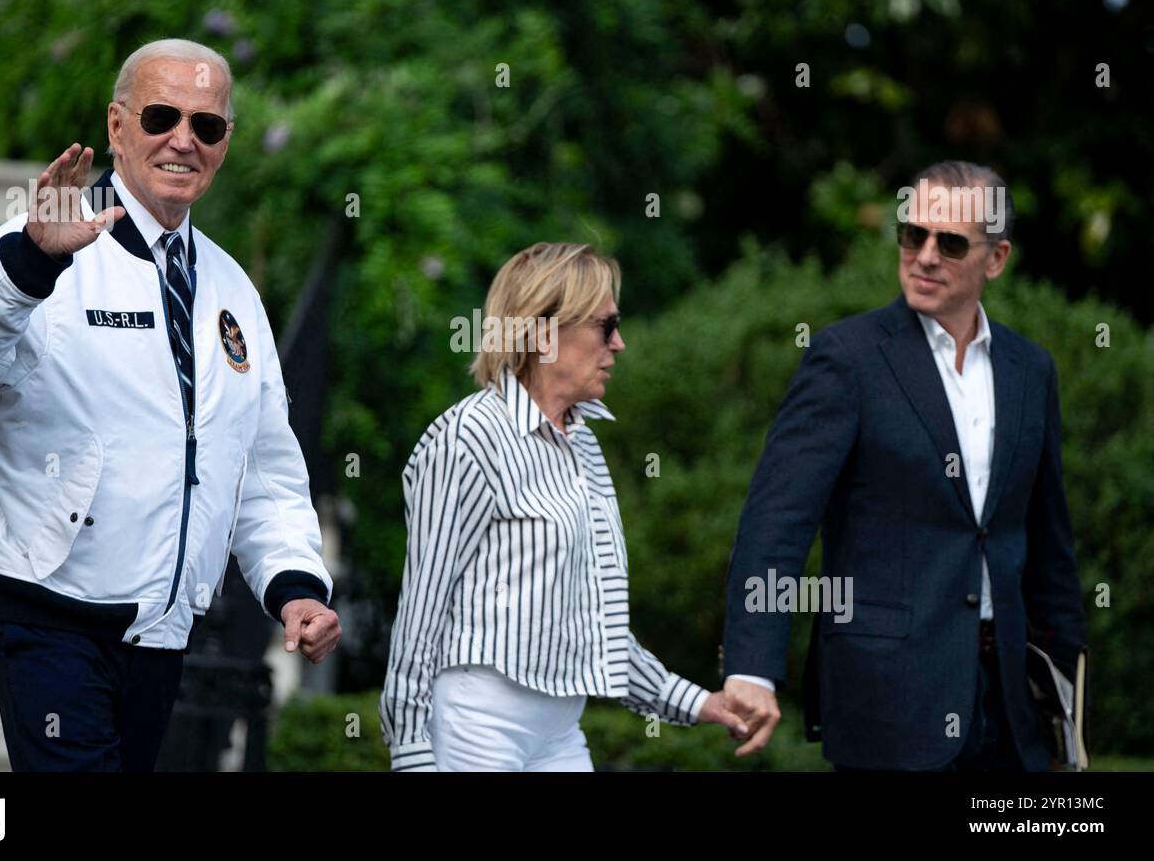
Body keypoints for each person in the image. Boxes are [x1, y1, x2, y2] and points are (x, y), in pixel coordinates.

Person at [0, 38, 340, 771]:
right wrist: (30, 263)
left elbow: (261, 469)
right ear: (117, 126)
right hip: (44, 612)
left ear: (225, 143)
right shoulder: (38, 245)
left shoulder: (231, 290)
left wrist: (293, 587)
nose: (183, 140)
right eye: (163, 115)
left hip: (161, 633)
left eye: (208, 126)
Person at [720, 160, 1087, 771]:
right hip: (887, 702)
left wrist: (1069, 695)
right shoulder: (847, 359)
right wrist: (753, 668)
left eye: (949, 243)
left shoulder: (1031, 370)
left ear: (996, 259)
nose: (924, 256)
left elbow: (1050, 542)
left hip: (1010, 707)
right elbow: (776, 524)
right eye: (912, 234)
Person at [380, 242, 747, 771]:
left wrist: (699, 703)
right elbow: (421, 608)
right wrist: (411, 749)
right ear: (542, 332)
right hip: (478, 720)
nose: (619, 344)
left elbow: (597, 625)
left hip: (560, 729)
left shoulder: (584, 445)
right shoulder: (468, 436)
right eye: (606, 325)